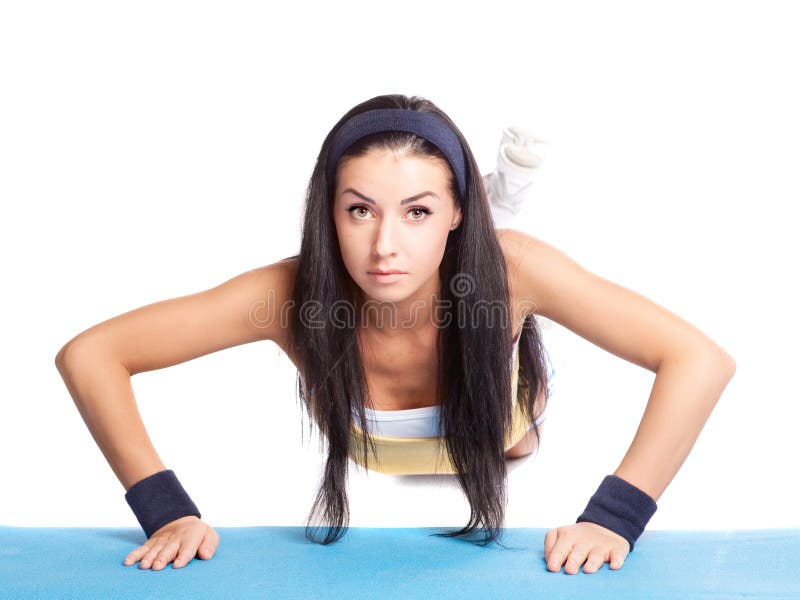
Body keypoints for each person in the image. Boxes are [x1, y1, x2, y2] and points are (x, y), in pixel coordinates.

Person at [55, 93, 736, 575]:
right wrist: (165, 510)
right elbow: (92, 354)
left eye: (416, 211)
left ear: (453, 212)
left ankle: (485, 217)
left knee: (514, 432)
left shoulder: (514, 271)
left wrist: (614, 517)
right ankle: (453, 221)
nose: (383, 245)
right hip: (376, 437)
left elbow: (698, 359)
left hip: (503, 407)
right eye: (359, 211)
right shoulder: (288, 297)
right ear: (329, 212)